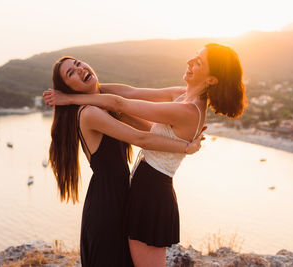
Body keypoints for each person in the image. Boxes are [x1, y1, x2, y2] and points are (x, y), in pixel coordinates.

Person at [44, 43, 247, 267]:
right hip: (118, 199)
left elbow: (135, 125)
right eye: (71, 72)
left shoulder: (186, 108)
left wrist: (70, 98)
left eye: (198, 62)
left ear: (211, 80)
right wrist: (183, 147)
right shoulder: (180, 96)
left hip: (144, 196)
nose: (190, 62)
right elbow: (129, 101)